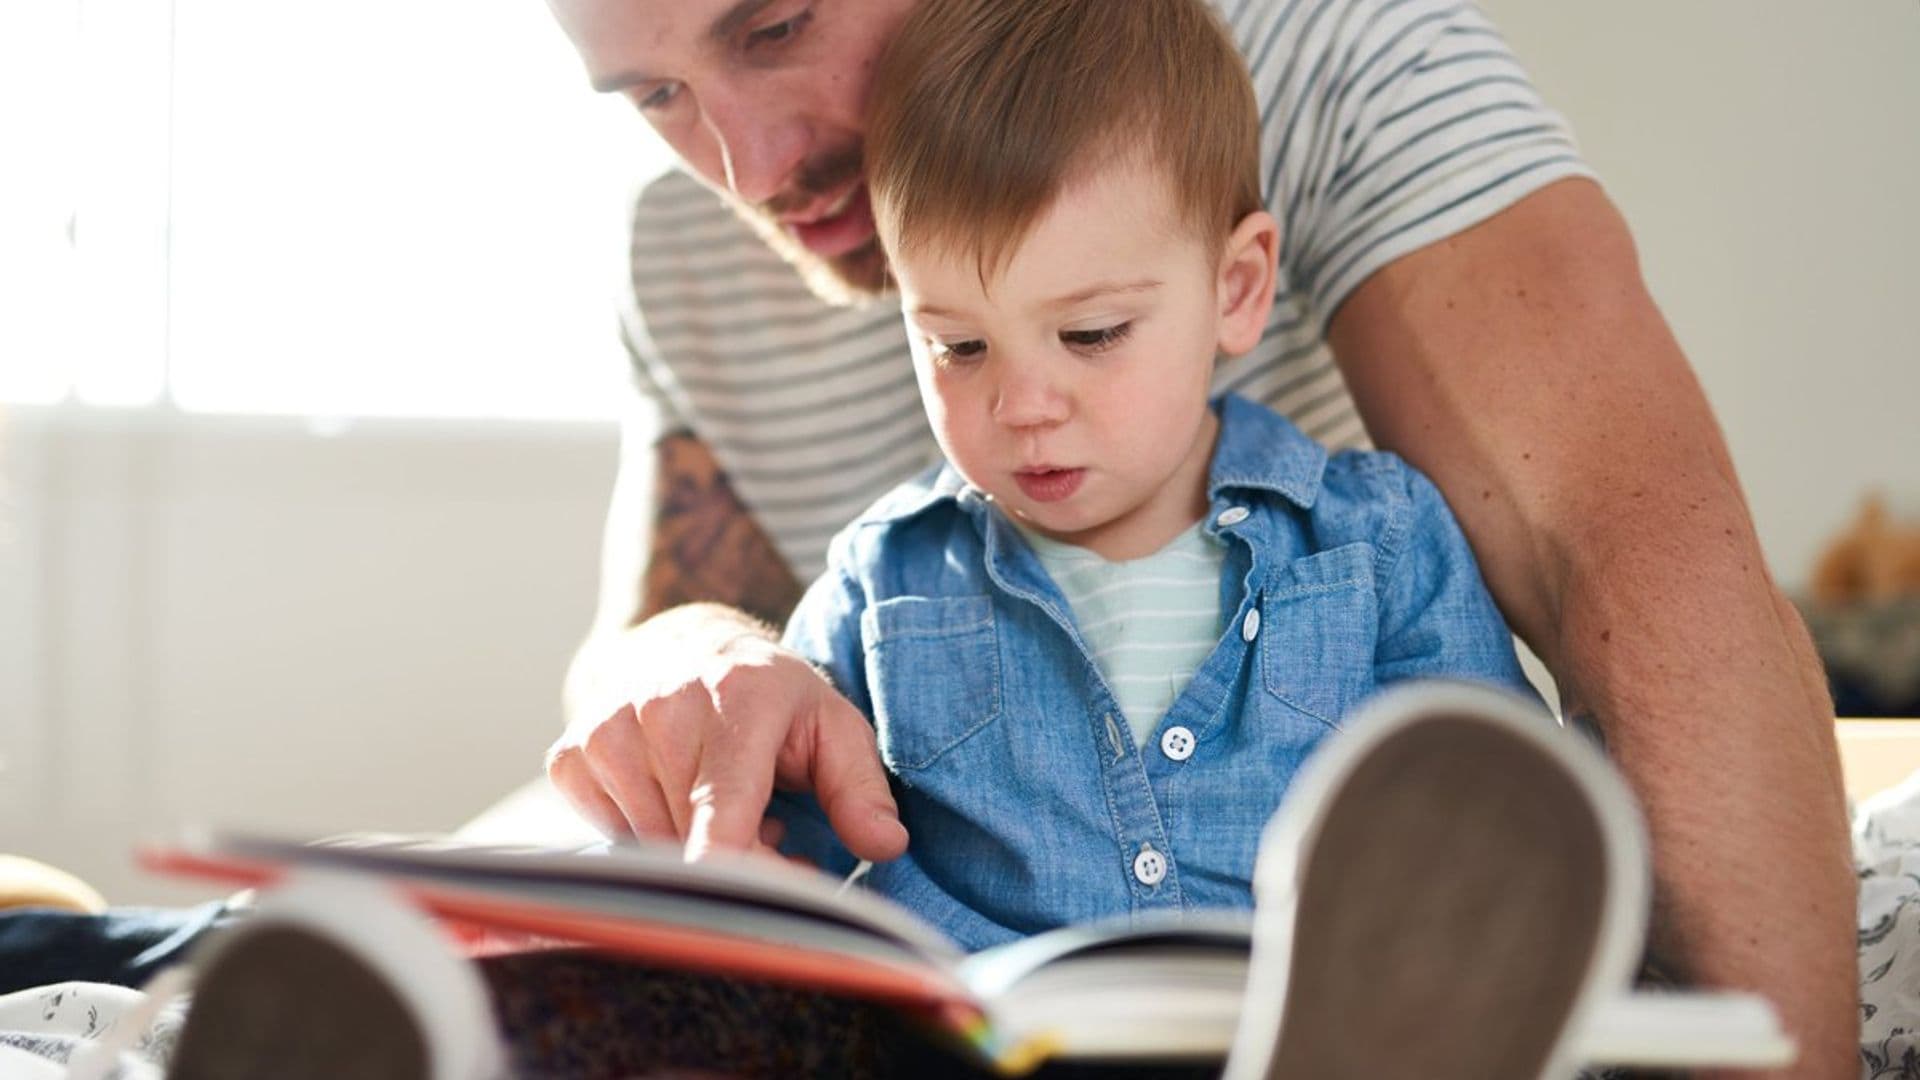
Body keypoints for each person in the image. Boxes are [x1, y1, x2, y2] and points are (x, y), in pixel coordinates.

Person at [534, 0, 1855, 1074]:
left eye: (776, 28)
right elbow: (665, 673)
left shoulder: (1331, 60)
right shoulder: (689, 274)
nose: (748, 168)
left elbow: (1638, 573)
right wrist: (688, 676)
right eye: (650, 95)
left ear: (1237, 284)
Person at [759, 0, 1542, 949]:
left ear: (1237, 288)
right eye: (958, 346)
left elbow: (1510, 833)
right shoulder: (879, 584)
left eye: (1091, 335)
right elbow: (777, 882)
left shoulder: (1378, 544)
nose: (1023, 405)